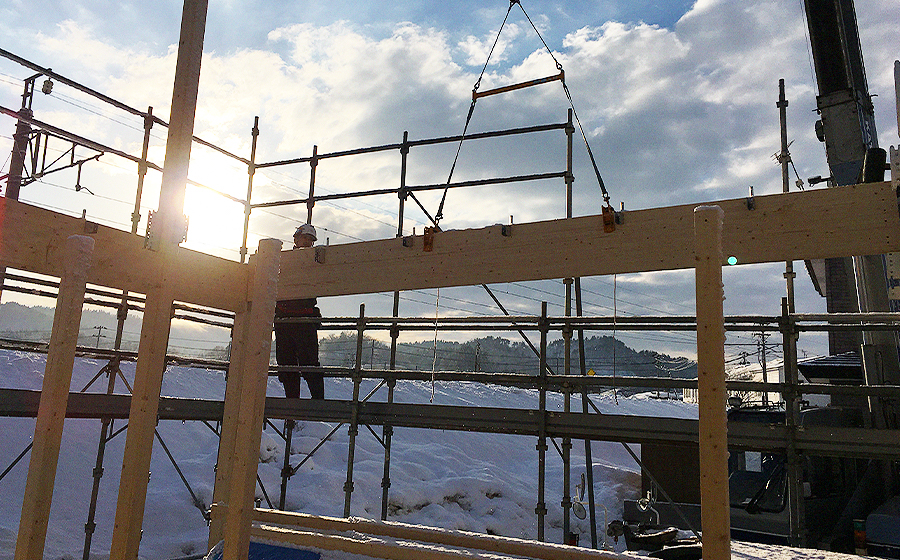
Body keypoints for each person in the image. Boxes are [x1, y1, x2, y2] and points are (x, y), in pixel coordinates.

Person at [274, 223, 324, 399]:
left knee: (309, 364)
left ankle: (318, 406)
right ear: (296, 239)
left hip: (305, 319)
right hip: (284, 318)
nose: (307, 243)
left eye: (310, 240)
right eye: (305, 238)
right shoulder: (283, 260)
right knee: (286, 366)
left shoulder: (317, 260)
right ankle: (292, 408)